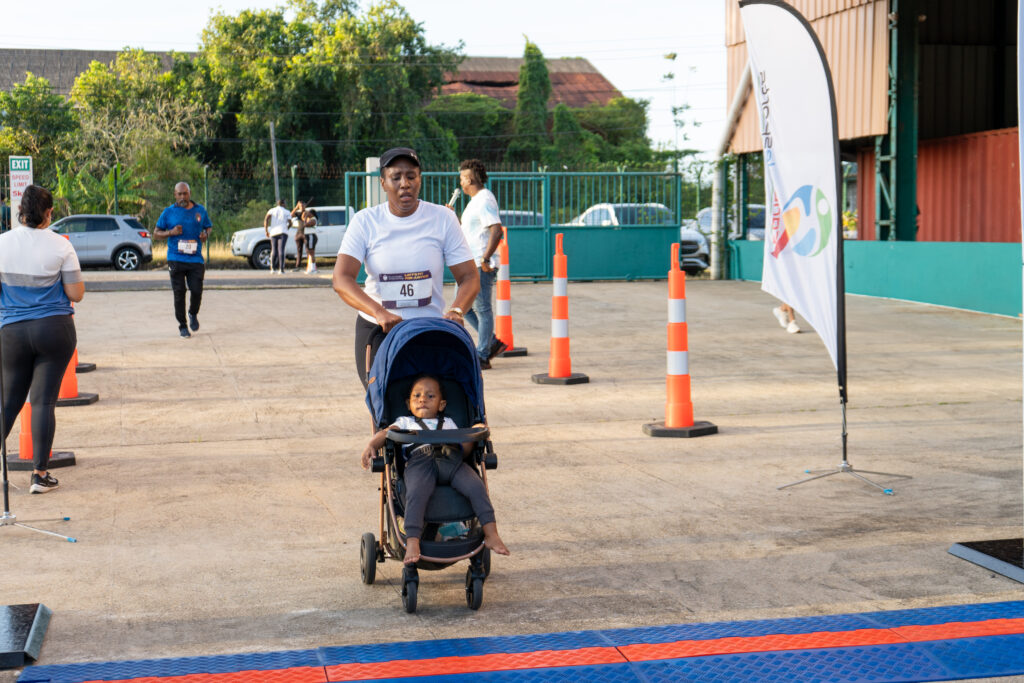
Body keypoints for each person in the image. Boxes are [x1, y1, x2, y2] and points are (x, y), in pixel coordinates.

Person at [333, 147, 480, 387]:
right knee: (383, 401)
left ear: (419, 180)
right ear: (383, 183)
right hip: (379, 331)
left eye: (411, 176)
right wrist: (378, 312)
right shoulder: (365, 221)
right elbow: (341, 279)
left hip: (430, 330)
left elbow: (469, 277)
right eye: (396, 177)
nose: (405, 184)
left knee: (430, 402)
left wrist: (457, 310)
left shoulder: (443, 218)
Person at [360, 374, 510, 564]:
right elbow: (385, 433)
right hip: (419, 462)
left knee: (476, 486)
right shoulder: (404, 422)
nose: (422, 399)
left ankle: (491, 533)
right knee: (416, 493)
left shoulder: (448, 423)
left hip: (451, 460)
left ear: (441, 404)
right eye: (416, 396)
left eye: (430, 396)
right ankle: (413, 540)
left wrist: (475, 433)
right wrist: (372, 445)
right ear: (408, 404)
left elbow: (464, 451)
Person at [0, 185, 84, 494]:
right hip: (54, 330)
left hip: (12, 332)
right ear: (49, 213)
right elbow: (76, 293)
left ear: (20, 210)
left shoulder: (2, 243)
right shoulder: (61, 245)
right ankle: (39, 475)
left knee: (8, 402)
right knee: (43, 401)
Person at [451, 159, 506, 369]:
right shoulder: (474, 202)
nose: (460, 183)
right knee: (462, 307)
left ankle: (483, 355)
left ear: (470, 179)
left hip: (480, 263)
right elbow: (469, 232)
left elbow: (496, 230)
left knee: (482, 309)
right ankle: (491, 342)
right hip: (469, 263)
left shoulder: (484, 200)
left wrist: (485, 258)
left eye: (462, 178)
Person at [154, 182, 212, 338]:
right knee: (179, 292)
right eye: (179, 194)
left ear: (189, 193)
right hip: (175, 258)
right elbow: (156, 233)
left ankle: (193, 313)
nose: (182, 197)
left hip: (195, 259)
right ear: (175, 195)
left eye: (185, 193)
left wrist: (205, 235)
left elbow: (208, 226)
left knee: (197, 290)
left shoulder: (200, 210)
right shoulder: (168, 212)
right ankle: (183, 326)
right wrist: (170, 232)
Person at [264, 199, 290, 274]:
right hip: (283, 232)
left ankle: (272, 268)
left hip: (273, 232)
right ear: (283, 204)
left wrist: (266, 230)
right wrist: (287, 227)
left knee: (274, 249)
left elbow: (266, 219)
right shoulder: (287, 212)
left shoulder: (272, 210)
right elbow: (290, 222)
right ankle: (281, 269)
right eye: (285, 203)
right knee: (281, 250)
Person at [290, 201, 307, 271]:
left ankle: (310, 266)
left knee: (309, 250)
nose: (302, 207)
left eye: (303, 206)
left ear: (305, 206)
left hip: (306, 233)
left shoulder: (307, 212)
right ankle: (298, 266)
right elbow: (291, 215)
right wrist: (296, 207)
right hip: (299, 233)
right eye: (300, 206)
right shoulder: (298, 213)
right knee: (299, 251)